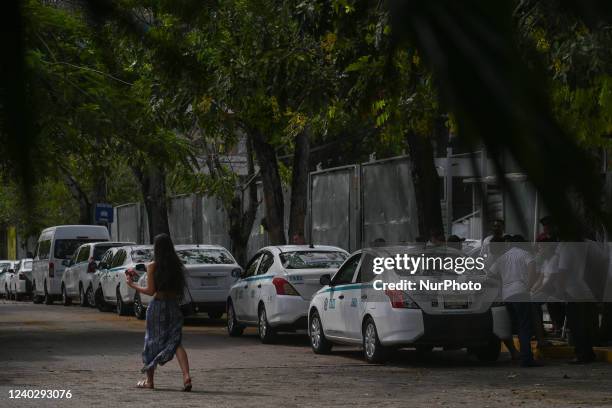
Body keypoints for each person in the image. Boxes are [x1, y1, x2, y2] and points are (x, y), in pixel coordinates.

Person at [126, 233, 192, 390]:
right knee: (176, 342)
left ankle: (149, 381)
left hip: (158, 307)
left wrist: (132, 284)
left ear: (157, 249)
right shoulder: (177, 266)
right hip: (174, 306)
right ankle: (186, 376)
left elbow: (150, 291)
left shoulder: (153, 266)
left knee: (151, 342)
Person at [491, 235, 542, 367]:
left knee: (517, 326)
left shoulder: (502, 258)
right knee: (525, 327)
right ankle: (527, 359)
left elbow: (490, 275)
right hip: (520, 292)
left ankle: (520, 354)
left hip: (507, 296)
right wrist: (529, 288)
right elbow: (532, 271)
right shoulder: (526, 254)